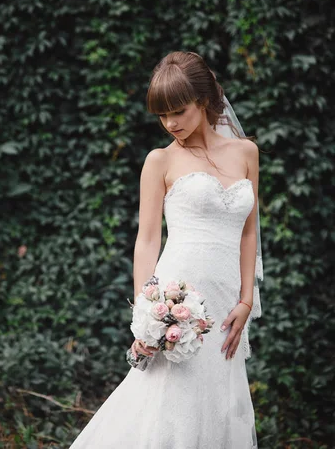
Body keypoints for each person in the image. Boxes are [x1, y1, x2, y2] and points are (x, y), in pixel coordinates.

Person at [69, 51, 262, 449]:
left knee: (218, 403)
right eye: (162, 115)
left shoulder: (247, 153)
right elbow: (148, 239)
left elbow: (248, 231)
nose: (171, 124)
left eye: (179, 111)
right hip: (179, 299)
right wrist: (146, 311)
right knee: (168, 403)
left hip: (227, 301)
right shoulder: (159, 161)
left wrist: (246, 299)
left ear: (205, 101)